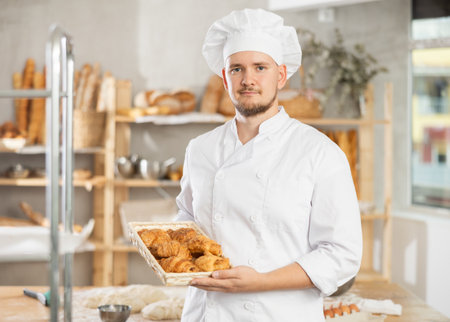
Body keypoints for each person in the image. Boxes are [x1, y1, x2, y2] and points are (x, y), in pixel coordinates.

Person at [175, 8, 362, 322]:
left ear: (281, 75)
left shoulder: (318, 153)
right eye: (236, 69)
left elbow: (341, 254)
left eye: (260, 67)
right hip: (205, 313)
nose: (248, 79)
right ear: (225, 77)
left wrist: (260, 282)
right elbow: (186, 220)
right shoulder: (200, 149)